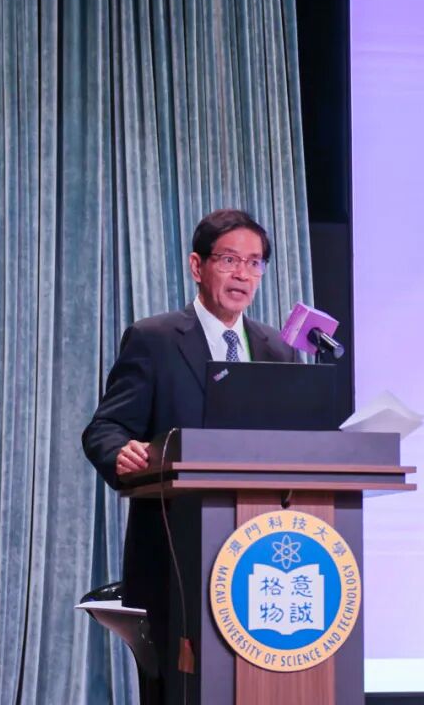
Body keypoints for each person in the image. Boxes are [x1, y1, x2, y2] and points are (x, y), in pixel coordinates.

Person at [81, 209, 298, 703]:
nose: (243, 274)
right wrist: (120, 452)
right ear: (197, 266)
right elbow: (105, 428)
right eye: (229, 260)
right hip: (176, 555)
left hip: (260, 557)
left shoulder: (277, 349)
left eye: (255, 263)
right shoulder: (155, 339)